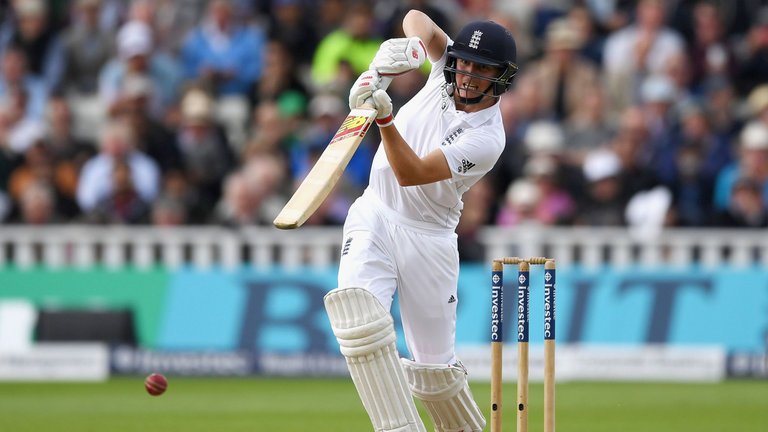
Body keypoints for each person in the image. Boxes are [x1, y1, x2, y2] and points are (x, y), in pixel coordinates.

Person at [323, 10, 518, 432]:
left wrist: (384, 118)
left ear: (501, 76)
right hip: (374, 212)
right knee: (358, 320)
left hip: (428, 238)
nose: (466, 74)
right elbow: (417, 18)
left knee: (435, 373)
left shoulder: (487, 138)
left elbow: (411, 173)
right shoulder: (445, 69)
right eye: (464, 62)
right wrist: (411, 48)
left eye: (481, 68)